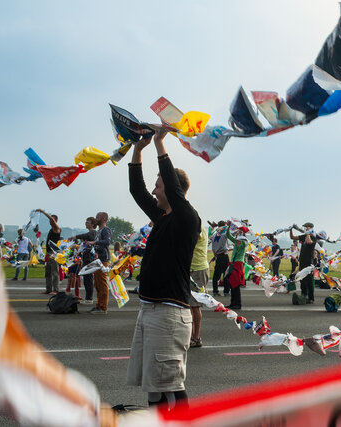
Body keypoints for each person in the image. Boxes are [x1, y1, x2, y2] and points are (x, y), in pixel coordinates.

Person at [126, 131, 200, 410]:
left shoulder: (186, 217)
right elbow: (136, 190)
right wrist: (138, 149)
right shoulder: (162, 216)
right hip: (150, 310)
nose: (155, 190)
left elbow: (168, 181)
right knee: (154, 387)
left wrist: (159, 142)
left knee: (170, 386)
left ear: (172, 189)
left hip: (170, 313)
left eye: (158, 185)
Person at [190, 224, 209, 347]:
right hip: (190, 268)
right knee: (188, 305)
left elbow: (190, 240)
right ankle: (190, 335)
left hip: (198, 269)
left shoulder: (196, 225)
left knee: (195, 305)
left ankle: (196, 337)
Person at [70, 217, 97, 304]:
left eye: (87, 222)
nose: (86, 223)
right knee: (86, 279)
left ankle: (89, 299)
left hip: (89, 259)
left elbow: (86, 236)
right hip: (86, 258)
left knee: (88, 279)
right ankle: (88, 298)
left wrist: (75, 236)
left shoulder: (93, 233)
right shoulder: (91, 233)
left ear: (92, 224)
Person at [90, 212, 112, 314]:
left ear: (103, 219)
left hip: (103, 259)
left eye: (98, 217)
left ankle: (103, 307)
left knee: (102, 284)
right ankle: (99, 305)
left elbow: (107, 241)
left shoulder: (105, 230)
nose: (96, 218)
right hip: (98, 259)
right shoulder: (99, 230)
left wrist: (95, 242)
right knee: (98, 284)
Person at [290, 222, 317, 304]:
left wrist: (308, 233)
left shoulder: (313, 237)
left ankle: (311, 298)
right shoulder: (303, 236)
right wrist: (290, 229)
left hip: (308, 261)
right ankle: (303, 295)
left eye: (306, 227)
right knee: (302, 279)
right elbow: (292, 237)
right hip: (302, 261)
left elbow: (309, 242)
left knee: (308, 280)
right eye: (304, 227)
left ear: (310, 228)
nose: (305, 228)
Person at [37, 209, 61, 295]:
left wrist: (43, 212)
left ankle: (56, 289)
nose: (50, 221)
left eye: (51, 220)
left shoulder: (57, 228)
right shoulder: (51, 229)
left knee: (54, 272)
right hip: (48, 252)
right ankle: (48, 289)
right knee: (47, 272)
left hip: (54, 253)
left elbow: (53, 220)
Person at [225, 226, 247, 310]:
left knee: (236, 285)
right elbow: (228, 235)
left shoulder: (243, 244)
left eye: (238, 234)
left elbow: (245, 242)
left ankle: (237, 304)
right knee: (231, 284)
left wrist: (242, 233)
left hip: (238, 265)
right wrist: (228, 227)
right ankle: (233, 303)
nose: (236, 236)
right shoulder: (235, 242)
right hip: (233, 264)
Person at [210, 221, 230, 297]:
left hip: (217, 256)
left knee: (216, 276)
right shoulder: (224, 234)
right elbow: (228, 231)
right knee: (226, 275)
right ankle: (226, 292)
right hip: (224, 256)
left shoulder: (214, 235)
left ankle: (215, 291)